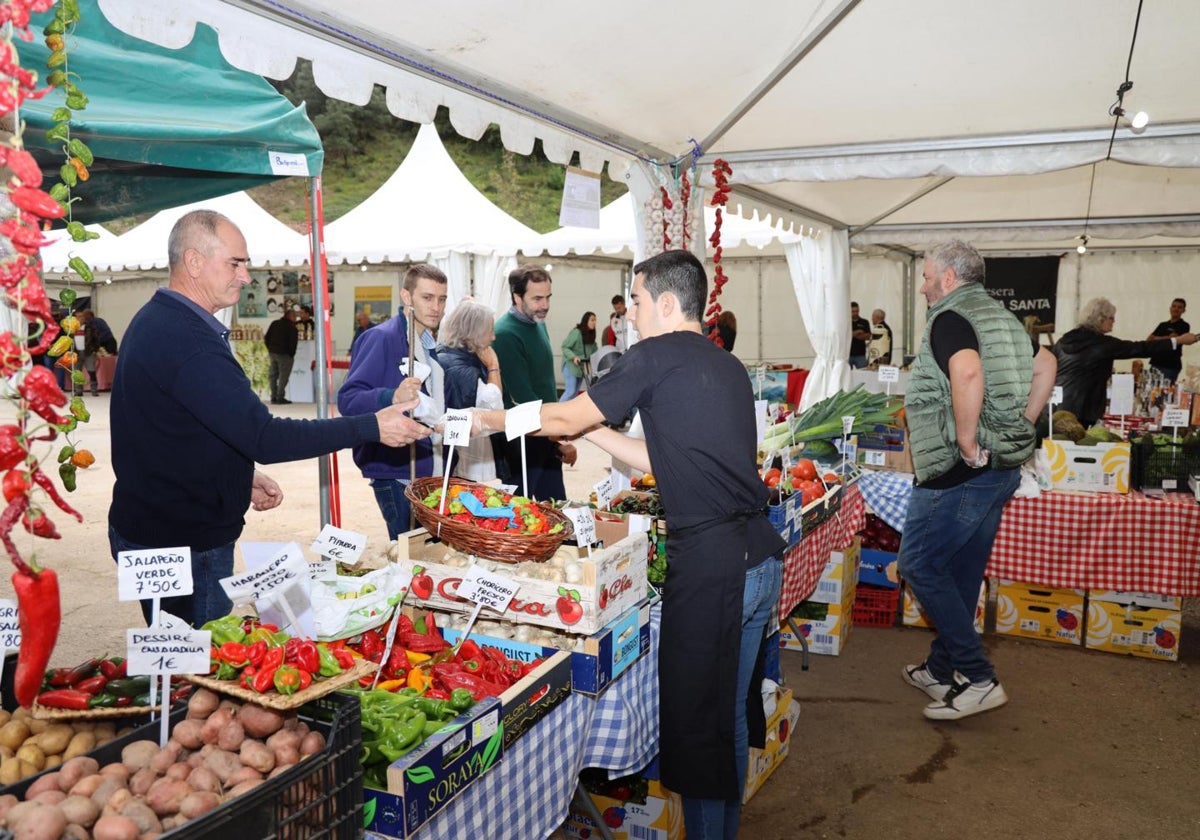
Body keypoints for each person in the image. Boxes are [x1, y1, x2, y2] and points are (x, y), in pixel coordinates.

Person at [478, 250, 784, 839]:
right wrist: (599, 432)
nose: (631, 316)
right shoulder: (726, 366)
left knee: (697, 732)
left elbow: (561, 419)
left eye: (637, 302)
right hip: (758, 561)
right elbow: (666, 462)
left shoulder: (653, 355)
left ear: (667, 303)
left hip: (714, 567)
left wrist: (483, 421)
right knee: (725, 720)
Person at [109, 209, 429, 627]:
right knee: (195, 667)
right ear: (193, 262)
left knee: (177, 654)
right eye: (235, 263)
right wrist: (371, 425)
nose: (245, 276)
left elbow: (172, 427)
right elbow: (266, 437)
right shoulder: (187, 340)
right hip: (181, 540)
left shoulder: (162, 320)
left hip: (158, 525)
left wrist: (236, 471)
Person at [900, 240, 1057, 721]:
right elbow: (1046, 364)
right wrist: (1024, 425)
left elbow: (966, 372)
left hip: (958, 469)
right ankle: (942, 669)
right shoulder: (1002, 317)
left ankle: (979, 676)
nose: (924, 287)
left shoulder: (949, 317)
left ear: (948, 279)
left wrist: (968, 442)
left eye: (927, 277)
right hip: (1002, 469)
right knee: (963, 571)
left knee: (920, 564)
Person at [338, 264, 448, 540]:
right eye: (427, 297)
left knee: (426, 555)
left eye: (442, 298)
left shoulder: (427, 342)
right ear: (406, 297)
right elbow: (349, 400)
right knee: (408, 558)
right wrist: (391, 397)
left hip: (427, 469)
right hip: (397, 472)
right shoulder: (382, 338)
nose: (436, 306)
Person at [492, 265, 577, 500]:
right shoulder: (505, 333)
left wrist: (555, 440)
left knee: (553, 510)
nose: (545, 305)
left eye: (548, 297)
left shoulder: (538, 323)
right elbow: (522, 398)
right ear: (517, 297)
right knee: (523, 518)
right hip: (522, 443)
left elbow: (545, 387)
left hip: (544, 434)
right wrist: (559, 437)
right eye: (537, 298)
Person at [1054, 297, 1197, 427]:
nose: (1114, 321)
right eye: (1112, 318)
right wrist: (1178, 341)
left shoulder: (1064, 340)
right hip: (1085, 408)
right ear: (1101, 319)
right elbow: (1140, 348)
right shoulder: (1103, 344)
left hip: (1058, 406)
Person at [436, 300, 509, 483]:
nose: (493, 337)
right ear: (474, 333)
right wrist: (494, 366)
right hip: (462, 455)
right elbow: (493, 409)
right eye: (489, 331)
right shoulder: (464, 368)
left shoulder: (446, 355)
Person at [1146, 298, 1190, 382]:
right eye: (1174, 306)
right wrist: (1167, 338)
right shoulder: (1162, 325)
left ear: (1183, 310)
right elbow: (1149, 340)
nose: (1176, 309)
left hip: (1170, 366)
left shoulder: (1184, 326)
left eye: (1179, 307)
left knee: (1165, 392)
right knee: (1151, 390)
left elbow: (1175, 339)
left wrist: (1157, 338)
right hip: (1155, 363)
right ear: (1170, 308)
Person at [559, 310, 598, 401]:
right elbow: (565, 347)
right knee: (571, 391)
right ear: (586, 321)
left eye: (595, 320)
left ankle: (567, 413)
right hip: (570, 365)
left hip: (581, 367)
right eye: (592, 320)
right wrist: (574, 357)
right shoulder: (576, 332)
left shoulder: (591, 335)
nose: (594, 322)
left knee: (575, 393)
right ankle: (557, 410)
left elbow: (595, 351)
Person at [264, 308, 299, 405]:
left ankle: (273, 396)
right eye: (295, 316)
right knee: (283, 376)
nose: (296, 318)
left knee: (273, 375)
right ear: (290, 316)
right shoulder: (292, 328)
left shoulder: (274, 323)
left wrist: (270, 348)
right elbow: (293, 343)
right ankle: (280, 397)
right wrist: (291, 354)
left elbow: (267, 337)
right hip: (284, 355)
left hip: (272, 353)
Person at [849, 301, 871, 368]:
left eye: (857, 311)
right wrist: (857, 332)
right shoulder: (846, 322)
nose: (855, 313)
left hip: (860, 354)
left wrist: (852, 334)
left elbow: (868, 336)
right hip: (848, 354)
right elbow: (843, 335)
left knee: (864, 373)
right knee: (846, 375)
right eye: (853, 311)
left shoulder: (864, 322)